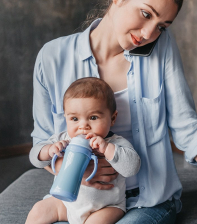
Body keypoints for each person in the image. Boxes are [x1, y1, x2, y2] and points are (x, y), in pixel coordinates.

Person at [30, 0, 197, 223]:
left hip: (148, 202)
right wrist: (69, 169)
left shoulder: (162, 48)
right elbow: (41, 143)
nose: (148, 34)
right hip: (79, 201)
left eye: (161, 26)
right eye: (146, 14)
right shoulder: (52, 58)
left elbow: (187, 127)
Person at [26, 78, 141, 224]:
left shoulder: (115, 142)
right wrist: (48, 150)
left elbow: (132, 168)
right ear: (65, 118)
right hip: (66, 205)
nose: (83, 126)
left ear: (112, 118)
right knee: (39, 210)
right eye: (74, 118)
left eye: (93, 117)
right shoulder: (63, 139)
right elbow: (34, 157)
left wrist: (107, 149)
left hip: (105, 207)